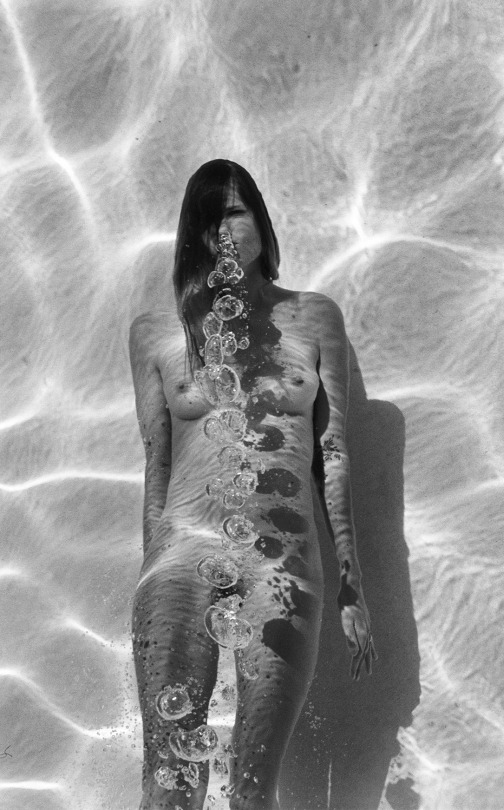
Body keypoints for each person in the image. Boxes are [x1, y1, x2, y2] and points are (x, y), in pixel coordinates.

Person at [129, 158, 376, 810]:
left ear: (261, 221)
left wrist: (351, 583)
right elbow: (156, 465)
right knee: (168, 780)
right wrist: (152, 571)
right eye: (206, 222)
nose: (223, 233)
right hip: (181, 556)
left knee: (252, 785)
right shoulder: (157, 334)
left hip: (282, 562)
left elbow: (332, 452)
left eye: (234, 213)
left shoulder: (314, 318)